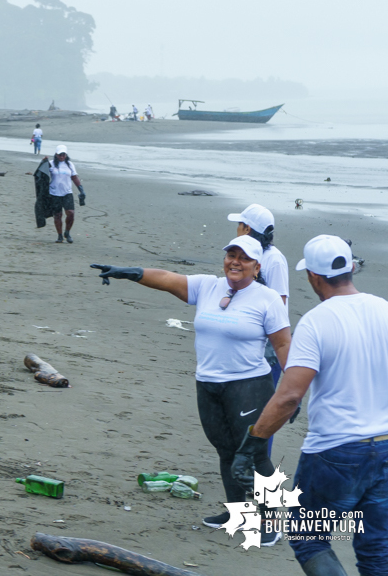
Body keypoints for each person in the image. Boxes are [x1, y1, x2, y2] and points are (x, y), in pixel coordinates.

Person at [91, 235, 291, 547]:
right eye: (230, 255)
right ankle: (237, 513)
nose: (235, 262)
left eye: (243, 258)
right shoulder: (208, 287)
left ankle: (272, 520)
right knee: (225, 449)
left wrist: (290, 393)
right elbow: (168, 279)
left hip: (249, 385)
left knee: (252, 451)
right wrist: (130, 272)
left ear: (256, 266)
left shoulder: (267, 299)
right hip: (208, 384)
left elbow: (282, 345)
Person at [230, 235, 388, 575]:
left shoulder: (318, 321)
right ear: (352, 268)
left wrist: (253, 443)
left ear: (312, 277)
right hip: (385, 445)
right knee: (377, 549)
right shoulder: (384, 310)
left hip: (336, 451)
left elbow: (289, 396)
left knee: (308, 535)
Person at [227, 205, 289, 403]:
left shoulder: (273, 259)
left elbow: (280, 303)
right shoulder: (241, 258)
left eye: (239, 225)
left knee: (259, 412)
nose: (236, 229)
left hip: (267, 348)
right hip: (243, 343)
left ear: (246, 229)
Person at [43, 145, 85, 243]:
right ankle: (60, 235)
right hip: (54, 193)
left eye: (63, 154)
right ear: (56, 155)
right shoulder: (51, 164)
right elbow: (42, 174)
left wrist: (81, 190)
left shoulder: (70, 164)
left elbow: (74, 177)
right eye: (60, 155)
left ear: (66, 155)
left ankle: (67, 232)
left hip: (67, 193)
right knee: (57, 215)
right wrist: (43, 162)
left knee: (71, 213)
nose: (62, 157)